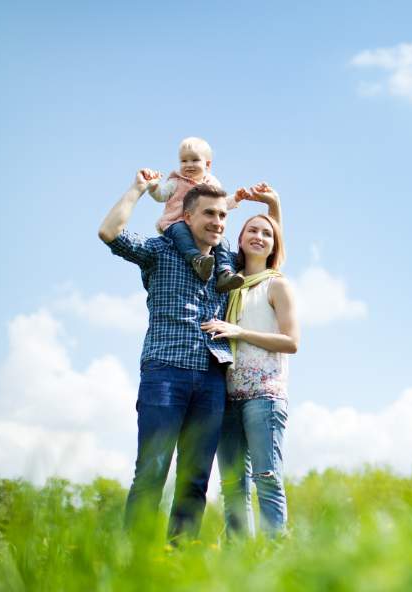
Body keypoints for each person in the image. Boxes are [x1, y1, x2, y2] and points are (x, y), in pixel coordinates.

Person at [98, 170, 279, 542]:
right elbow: (110, 233)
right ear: (187, 216)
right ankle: (139, 559)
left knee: (196, 478)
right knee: (152, 469)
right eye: (209, 214)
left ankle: (178, 557)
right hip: (165, 373)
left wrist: (273, 206)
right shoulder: (161, 250)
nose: (217, 222)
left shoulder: (228, 262)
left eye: (222, 215)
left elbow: (270, 249)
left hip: (212, 381)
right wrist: (135, 189)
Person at [201, 194, 299, 539]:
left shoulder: (277, 284)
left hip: (264, 396)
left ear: (274, 244)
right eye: (251, 230)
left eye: (267, 233)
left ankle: (274, 560)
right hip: (226, 397)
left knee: (267, 479)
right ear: (239, 240)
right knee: (231, 486)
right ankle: (239, 565)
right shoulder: (229, 285)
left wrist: (239, 331)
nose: (259, 236)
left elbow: (292, 342)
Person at [146, 137, 245, 292]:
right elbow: (161, 195)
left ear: (207, 164)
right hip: (175, 222)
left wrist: (236, 198)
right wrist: (153, 188)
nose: (189, 165)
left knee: (222, 242)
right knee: (181, 231)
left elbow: (221, 204)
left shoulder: (212, 183)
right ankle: (197, 260)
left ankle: (224, 272)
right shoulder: (176, 182)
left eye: (195, 160)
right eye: (184, 161)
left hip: (201, 228)